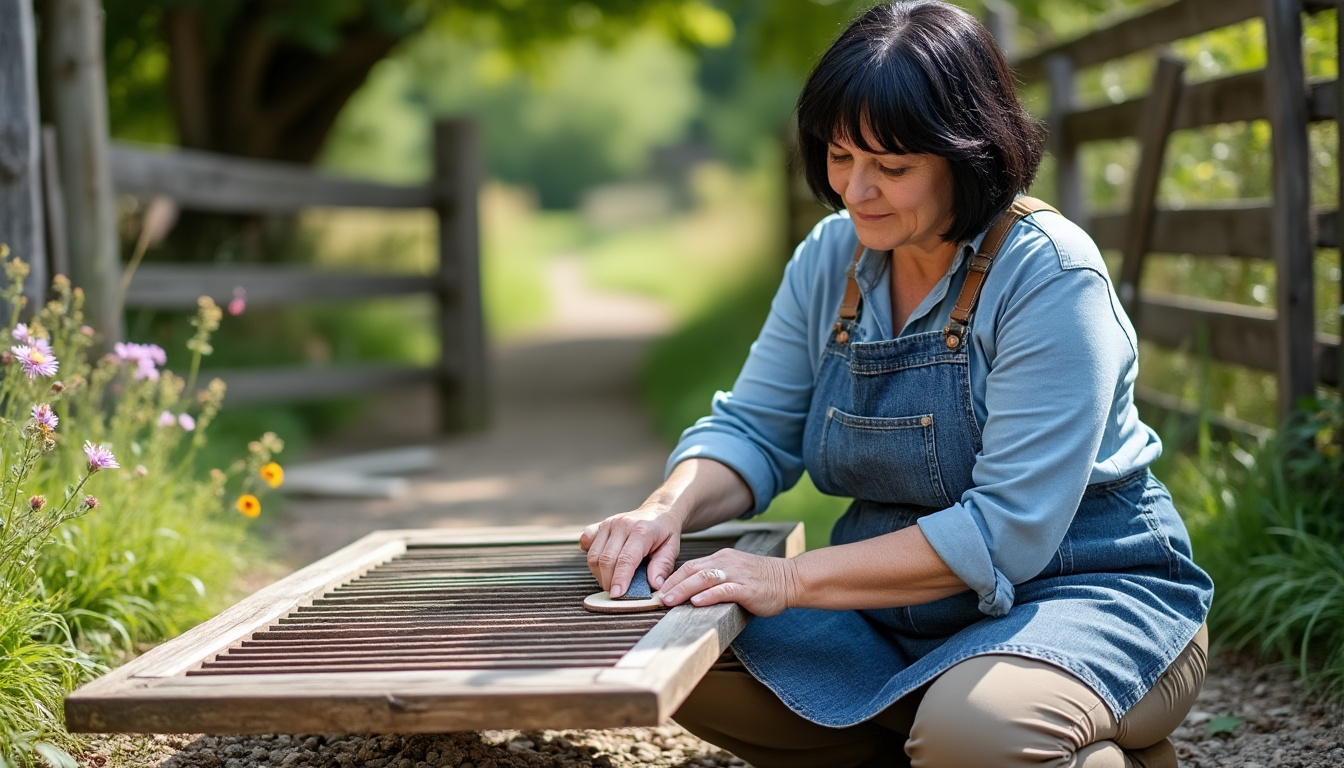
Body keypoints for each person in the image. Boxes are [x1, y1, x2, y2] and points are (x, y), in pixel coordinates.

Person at [580, 2, 1213, 766]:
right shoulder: (830, 257)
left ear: (969, 154)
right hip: (894, 612)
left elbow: (1006, 530)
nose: (856, 190)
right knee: (666, 638)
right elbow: (753, 430)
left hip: (1084, 595)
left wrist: (788, 578)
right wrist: (663, 511)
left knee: (976, 732)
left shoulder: (1050, 275)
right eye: (841, 157)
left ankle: (997, 736)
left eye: (894, 166)